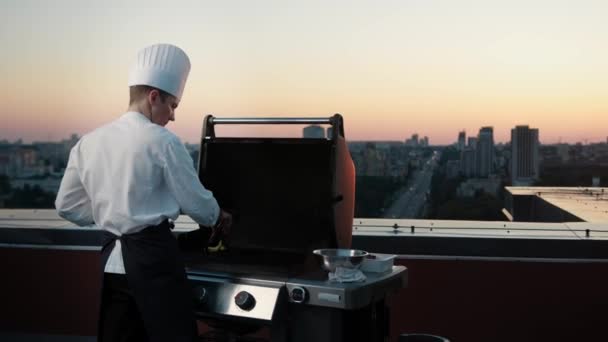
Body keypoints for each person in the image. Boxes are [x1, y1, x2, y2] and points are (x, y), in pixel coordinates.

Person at [55, 43, 231, 342]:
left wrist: (107, 212)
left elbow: (66, 205)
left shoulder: (88, 142)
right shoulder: (163, 141)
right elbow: (197, 204)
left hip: (111, 264)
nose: (172, 116)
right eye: (172, 105)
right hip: (154, 261)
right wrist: (219, 216)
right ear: (154, 97)